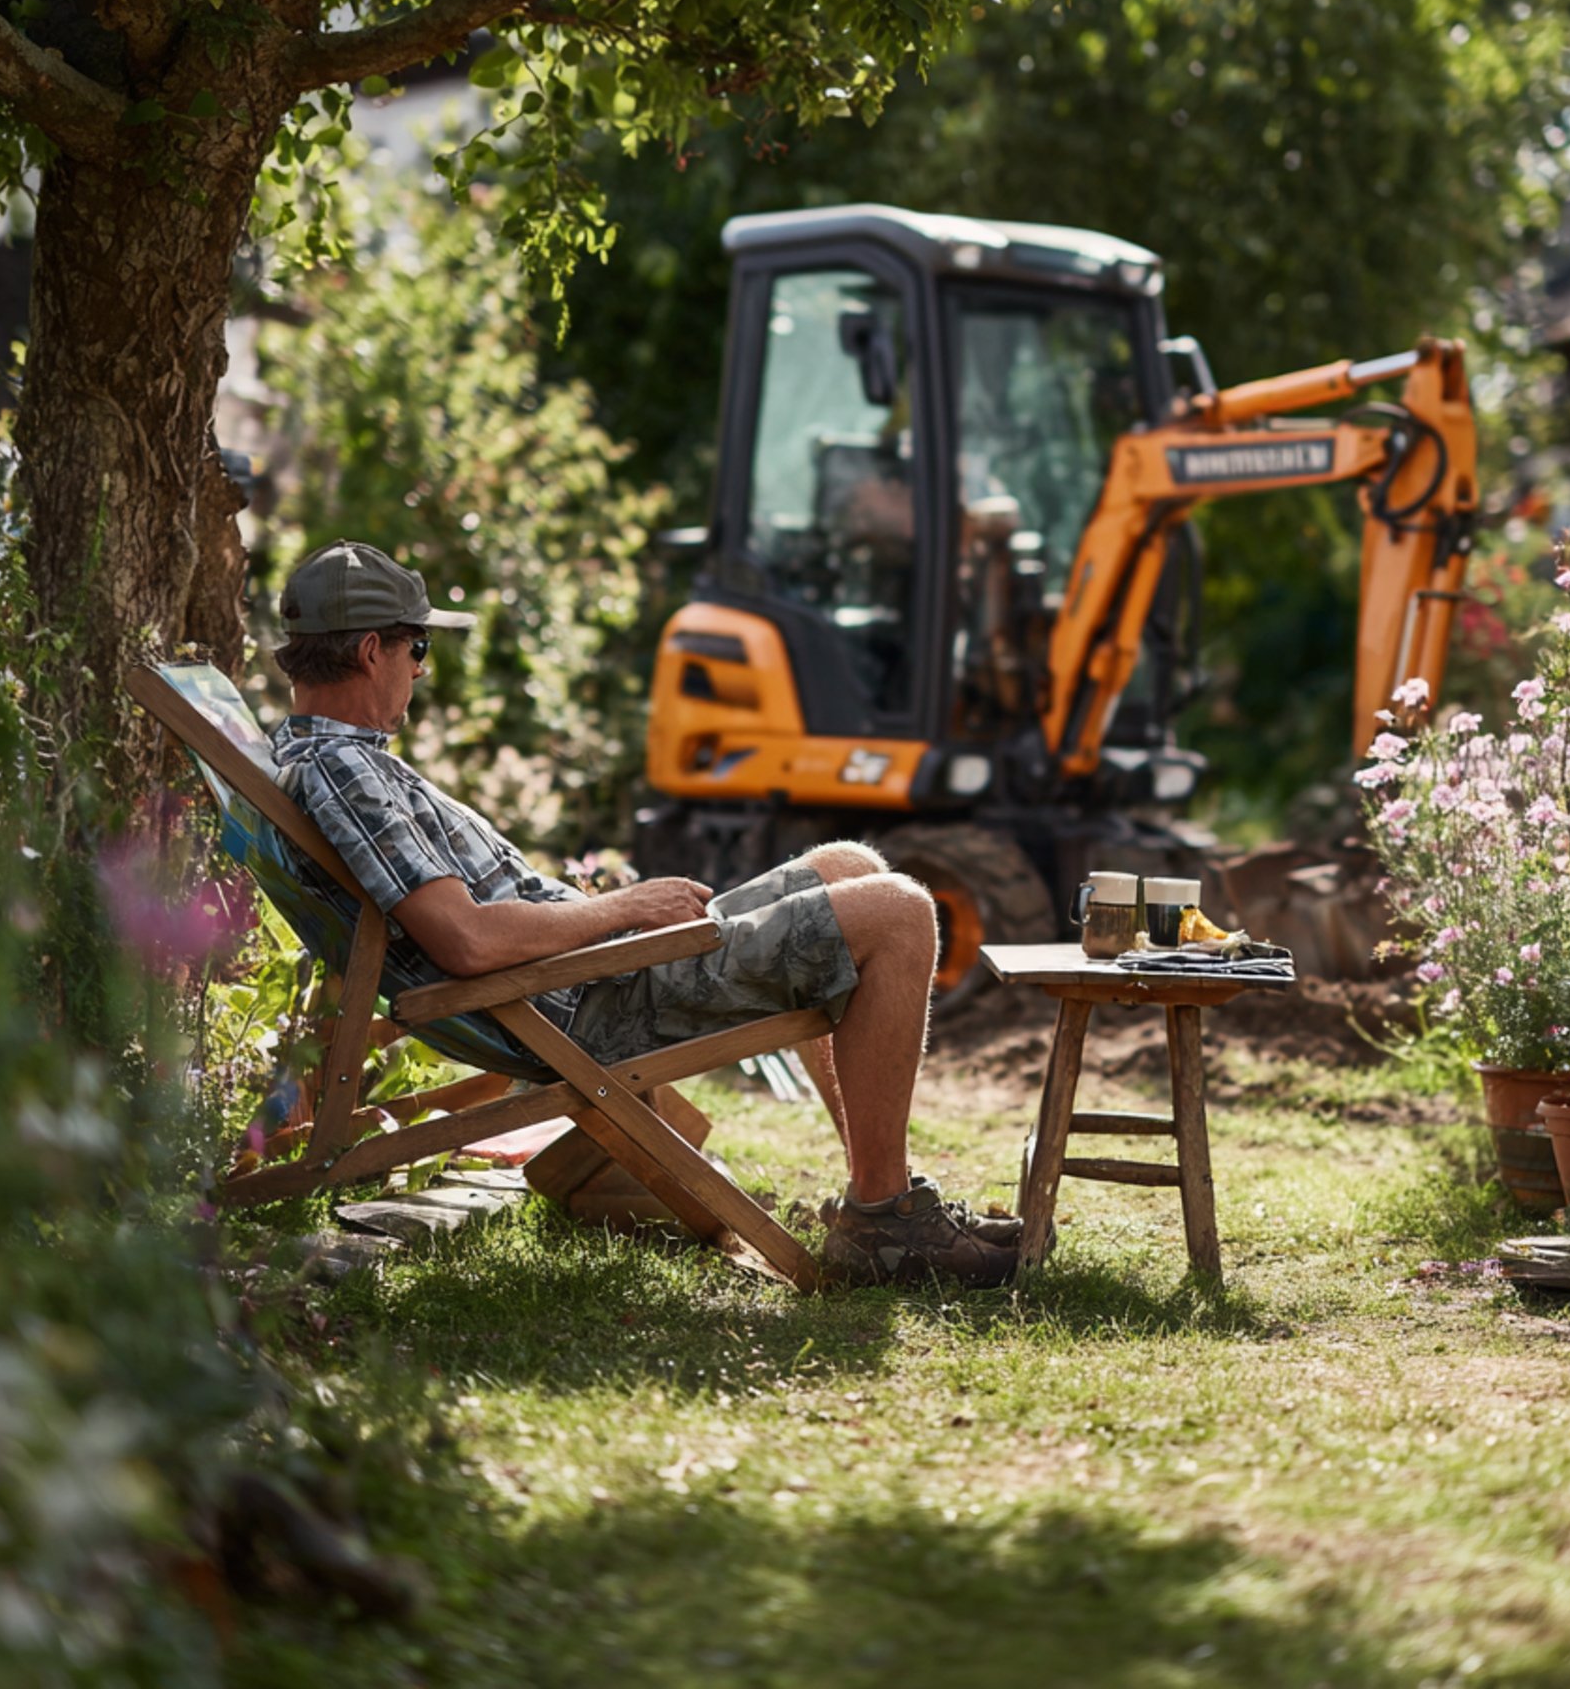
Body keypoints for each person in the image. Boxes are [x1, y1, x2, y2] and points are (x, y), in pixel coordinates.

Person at [268, 539, 1023, 1288]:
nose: (420, 669)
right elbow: (465, 941)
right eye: (418, 647)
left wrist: (619, 919)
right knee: (898, 913)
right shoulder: (345, 773)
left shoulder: (342, 760)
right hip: (590, 1000)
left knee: (849, 865)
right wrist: (624, 909)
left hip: (586, 976)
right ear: (372, 651)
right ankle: (884, 1217)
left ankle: (882, 1197)